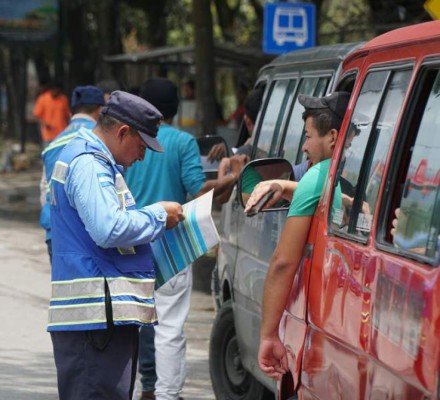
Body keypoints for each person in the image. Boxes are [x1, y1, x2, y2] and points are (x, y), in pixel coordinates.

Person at [48, 90, 185, 400]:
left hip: (100, 319)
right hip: (94, 321)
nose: (142, 156)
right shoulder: (89, 164)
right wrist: (158, 215)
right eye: (141, 146)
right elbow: (108, 229)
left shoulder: (94, 161)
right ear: (123, 132)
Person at [124, 77, 245, 400]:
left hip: (130, 241)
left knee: (133, 323)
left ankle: (135, 390)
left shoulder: (128, 139)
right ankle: (167, 394)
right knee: (170, 327)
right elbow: (199, 190)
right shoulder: (181, 142)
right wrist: (232, 175)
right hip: (170, 244)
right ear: (176, 109)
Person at [254, 91, 350, 380]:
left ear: (332, 136)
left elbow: (283, 262)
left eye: (308, 137)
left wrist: (269, 335)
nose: (304, 147)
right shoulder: (354, 171)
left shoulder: (317, 175)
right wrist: (287, 186)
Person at [39, 85, 105, 260]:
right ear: (100, 110)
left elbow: (44, 190)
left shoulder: (52, 145)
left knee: (64, 287)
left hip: (55, 231)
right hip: (88, 234)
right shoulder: (101, 140)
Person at [33, 80, 70, 146]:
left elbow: (67, 115)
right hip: (48, 135)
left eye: (59, 91)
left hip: (61, 134)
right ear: (51, 90)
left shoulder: (63, 99)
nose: (57, 93)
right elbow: (36, 115)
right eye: (55, 90)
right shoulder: (43, 99)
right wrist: (45, 124)